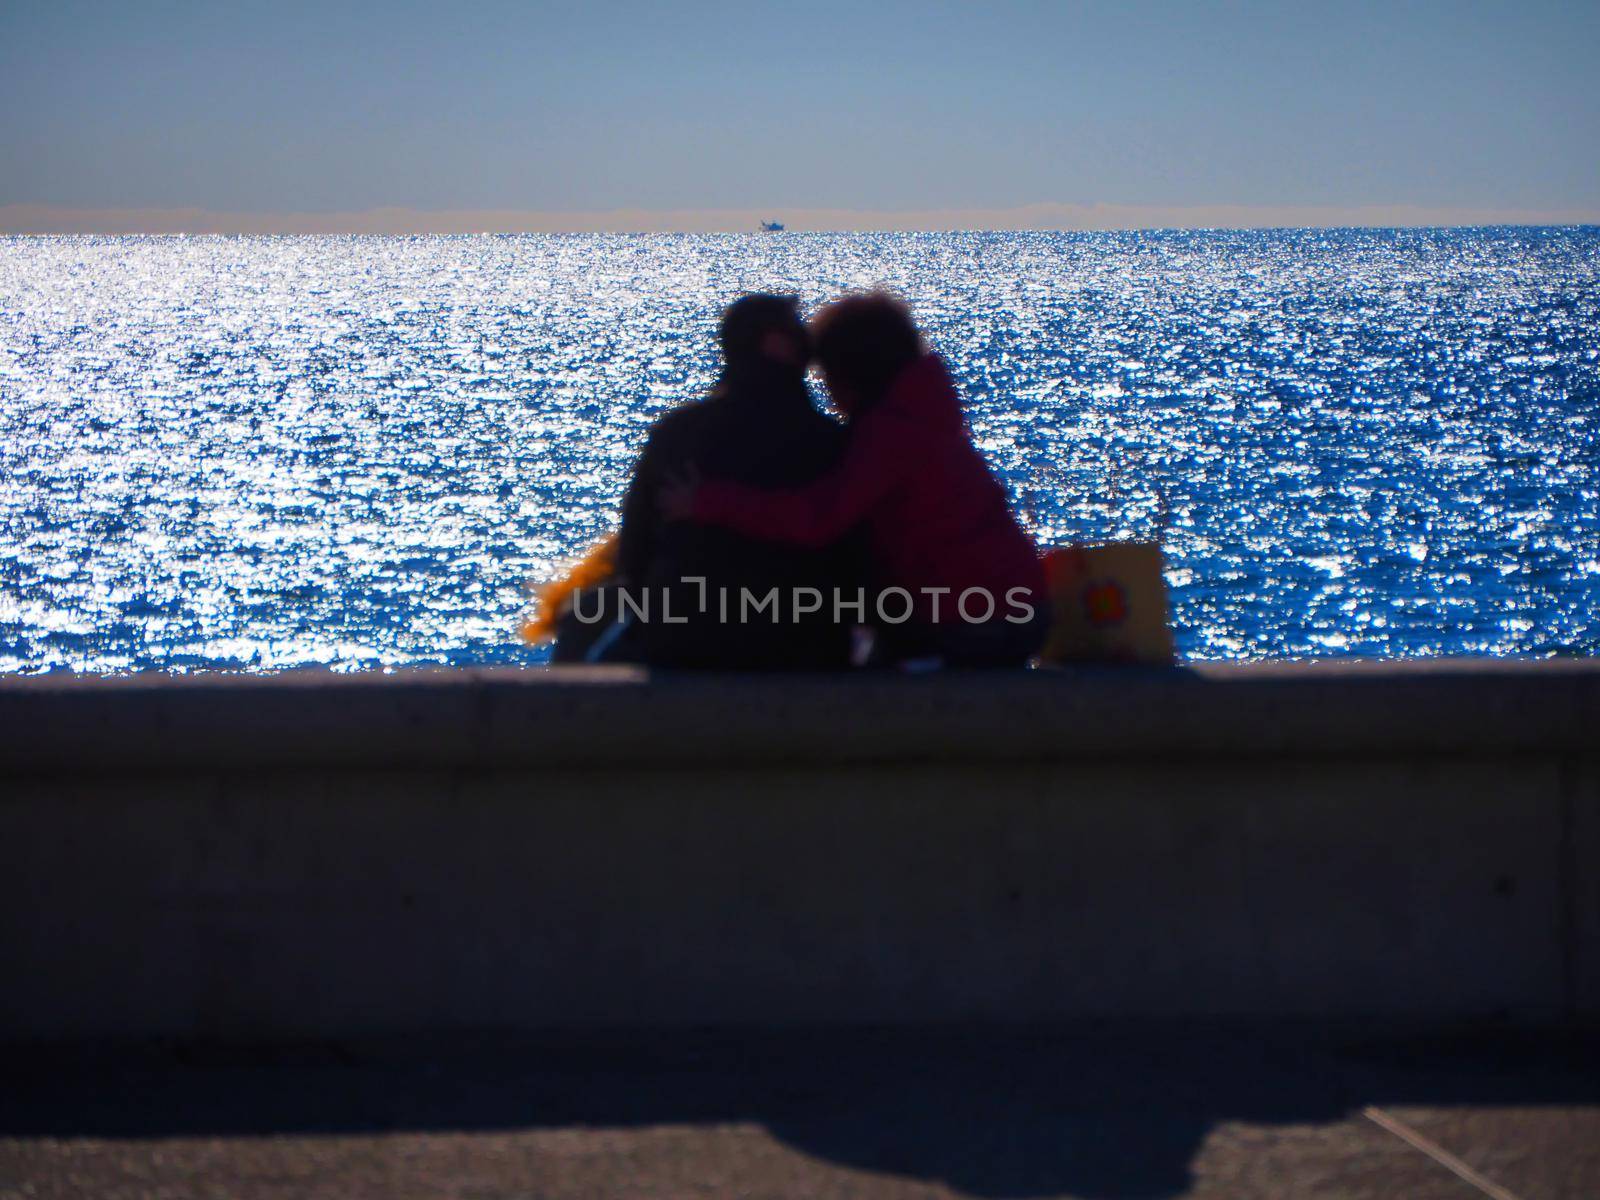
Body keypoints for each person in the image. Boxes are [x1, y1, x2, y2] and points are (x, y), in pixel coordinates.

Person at [662, 292, 1047, 668]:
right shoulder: (926, 418)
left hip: (978, 619)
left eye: (827, 374)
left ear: (849, 375)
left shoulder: (890, 436)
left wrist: (705, 502)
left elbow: (817, 519)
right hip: (1019, 608)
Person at [595, 293, 861, 669]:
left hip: (683, 642)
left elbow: (636, 551)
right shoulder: (830, 442)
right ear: (774, 343)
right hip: (805, 645)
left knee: (596, 649)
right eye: (795, 329)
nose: (807, 340)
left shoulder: (678, 433)